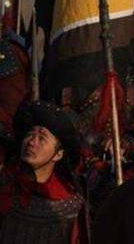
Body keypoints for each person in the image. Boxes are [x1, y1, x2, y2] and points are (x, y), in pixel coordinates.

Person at [0, 100, 88, 243]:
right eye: (30, 134)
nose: (31, 142)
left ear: (58, 155)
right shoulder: (5, 185)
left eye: (42, 138)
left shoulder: (70, 208)